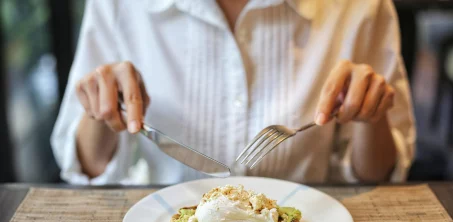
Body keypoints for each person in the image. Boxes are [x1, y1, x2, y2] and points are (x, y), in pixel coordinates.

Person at [51, 0, 415, 185]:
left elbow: (380, 178)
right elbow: (84, 170)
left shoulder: (361, 7)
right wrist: (101, 111)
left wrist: (372, 116)